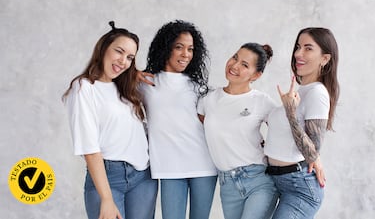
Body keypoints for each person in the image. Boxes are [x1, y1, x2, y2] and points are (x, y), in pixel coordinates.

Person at [62, 21, 158, 219]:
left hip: (143, 177)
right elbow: (90, 149)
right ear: (103, 48)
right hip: (108, 179)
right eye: (119, 52)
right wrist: (106, 199)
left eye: (130, 57)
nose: (123, 61)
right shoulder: (84, 88)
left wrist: (133, 75)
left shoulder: (125, 89)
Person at [139, 20, 217, 219]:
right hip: (168, 167)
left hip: (204, 165)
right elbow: (109, 79)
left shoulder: (198, 87)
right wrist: (131, 74)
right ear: (166, 48)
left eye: (190, 49)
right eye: (179, 47)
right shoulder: (146, 82)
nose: (186, 54)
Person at [264, 27, 339, 218]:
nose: (298, 53)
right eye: (298, 47)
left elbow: (312, 153)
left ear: (325, 58)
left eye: (308, 48)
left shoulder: (317, 93)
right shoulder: (301, 91)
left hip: (299, 187)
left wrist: (290, 113)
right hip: (275, 180)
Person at [197, 43, 277, 219]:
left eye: (245, 65)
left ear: (256, 75)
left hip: (258, 180)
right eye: (235, 57)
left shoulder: (261, 101)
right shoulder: (208, 100)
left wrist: (314, 158)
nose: (234, 66)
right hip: (227, 186)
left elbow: (285, 132)